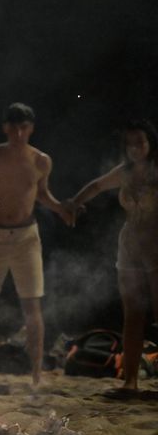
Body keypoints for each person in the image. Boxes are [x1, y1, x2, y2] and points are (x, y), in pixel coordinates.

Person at [0, 103, 74, 385]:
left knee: (31, 303)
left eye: (24, 126)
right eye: (13, 126)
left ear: (31, 129)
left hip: (26, 236)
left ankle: (37, 372)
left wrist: (60, 208)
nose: (18, 132)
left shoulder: (41, 161)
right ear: (5, 127)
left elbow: (41, 194)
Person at [66, 119, 158, 392]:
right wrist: (73, 203)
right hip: (130, 246)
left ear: (150, 143)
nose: (135, 148)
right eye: (130, 144)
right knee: (132, 315)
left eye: (140, 142)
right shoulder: (125, 172)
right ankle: (130, 381)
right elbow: (95, 186)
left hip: (156, 246)